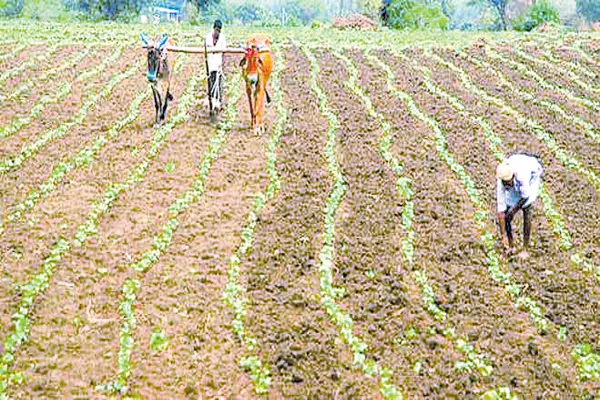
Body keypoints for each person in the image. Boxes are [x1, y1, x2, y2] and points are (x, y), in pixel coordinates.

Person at [496, 153, 544, 259]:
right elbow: (500, 209)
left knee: (527, 209)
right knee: (507, 215)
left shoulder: (522, 176)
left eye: (509, 183)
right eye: (505, 184)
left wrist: (514, 211)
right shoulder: (501, 180)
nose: (507, 186)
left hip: (532, 174)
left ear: (512, 177)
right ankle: (511, 245)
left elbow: (525, 197)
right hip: (517, 166)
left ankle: (525, 249)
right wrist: (503, 235)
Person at [205, 20, 226, 112]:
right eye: (216, 30)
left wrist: (222, 64)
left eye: (219, 30)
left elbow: (224, 51)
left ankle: (220, 102)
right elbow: (205, 51)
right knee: (211, 83)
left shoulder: (222, 38)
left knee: (219, 83)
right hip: (210, 64)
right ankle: (212, 100)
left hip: (218, 64)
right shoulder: (208, 38)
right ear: (214, 29)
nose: (217, 32)